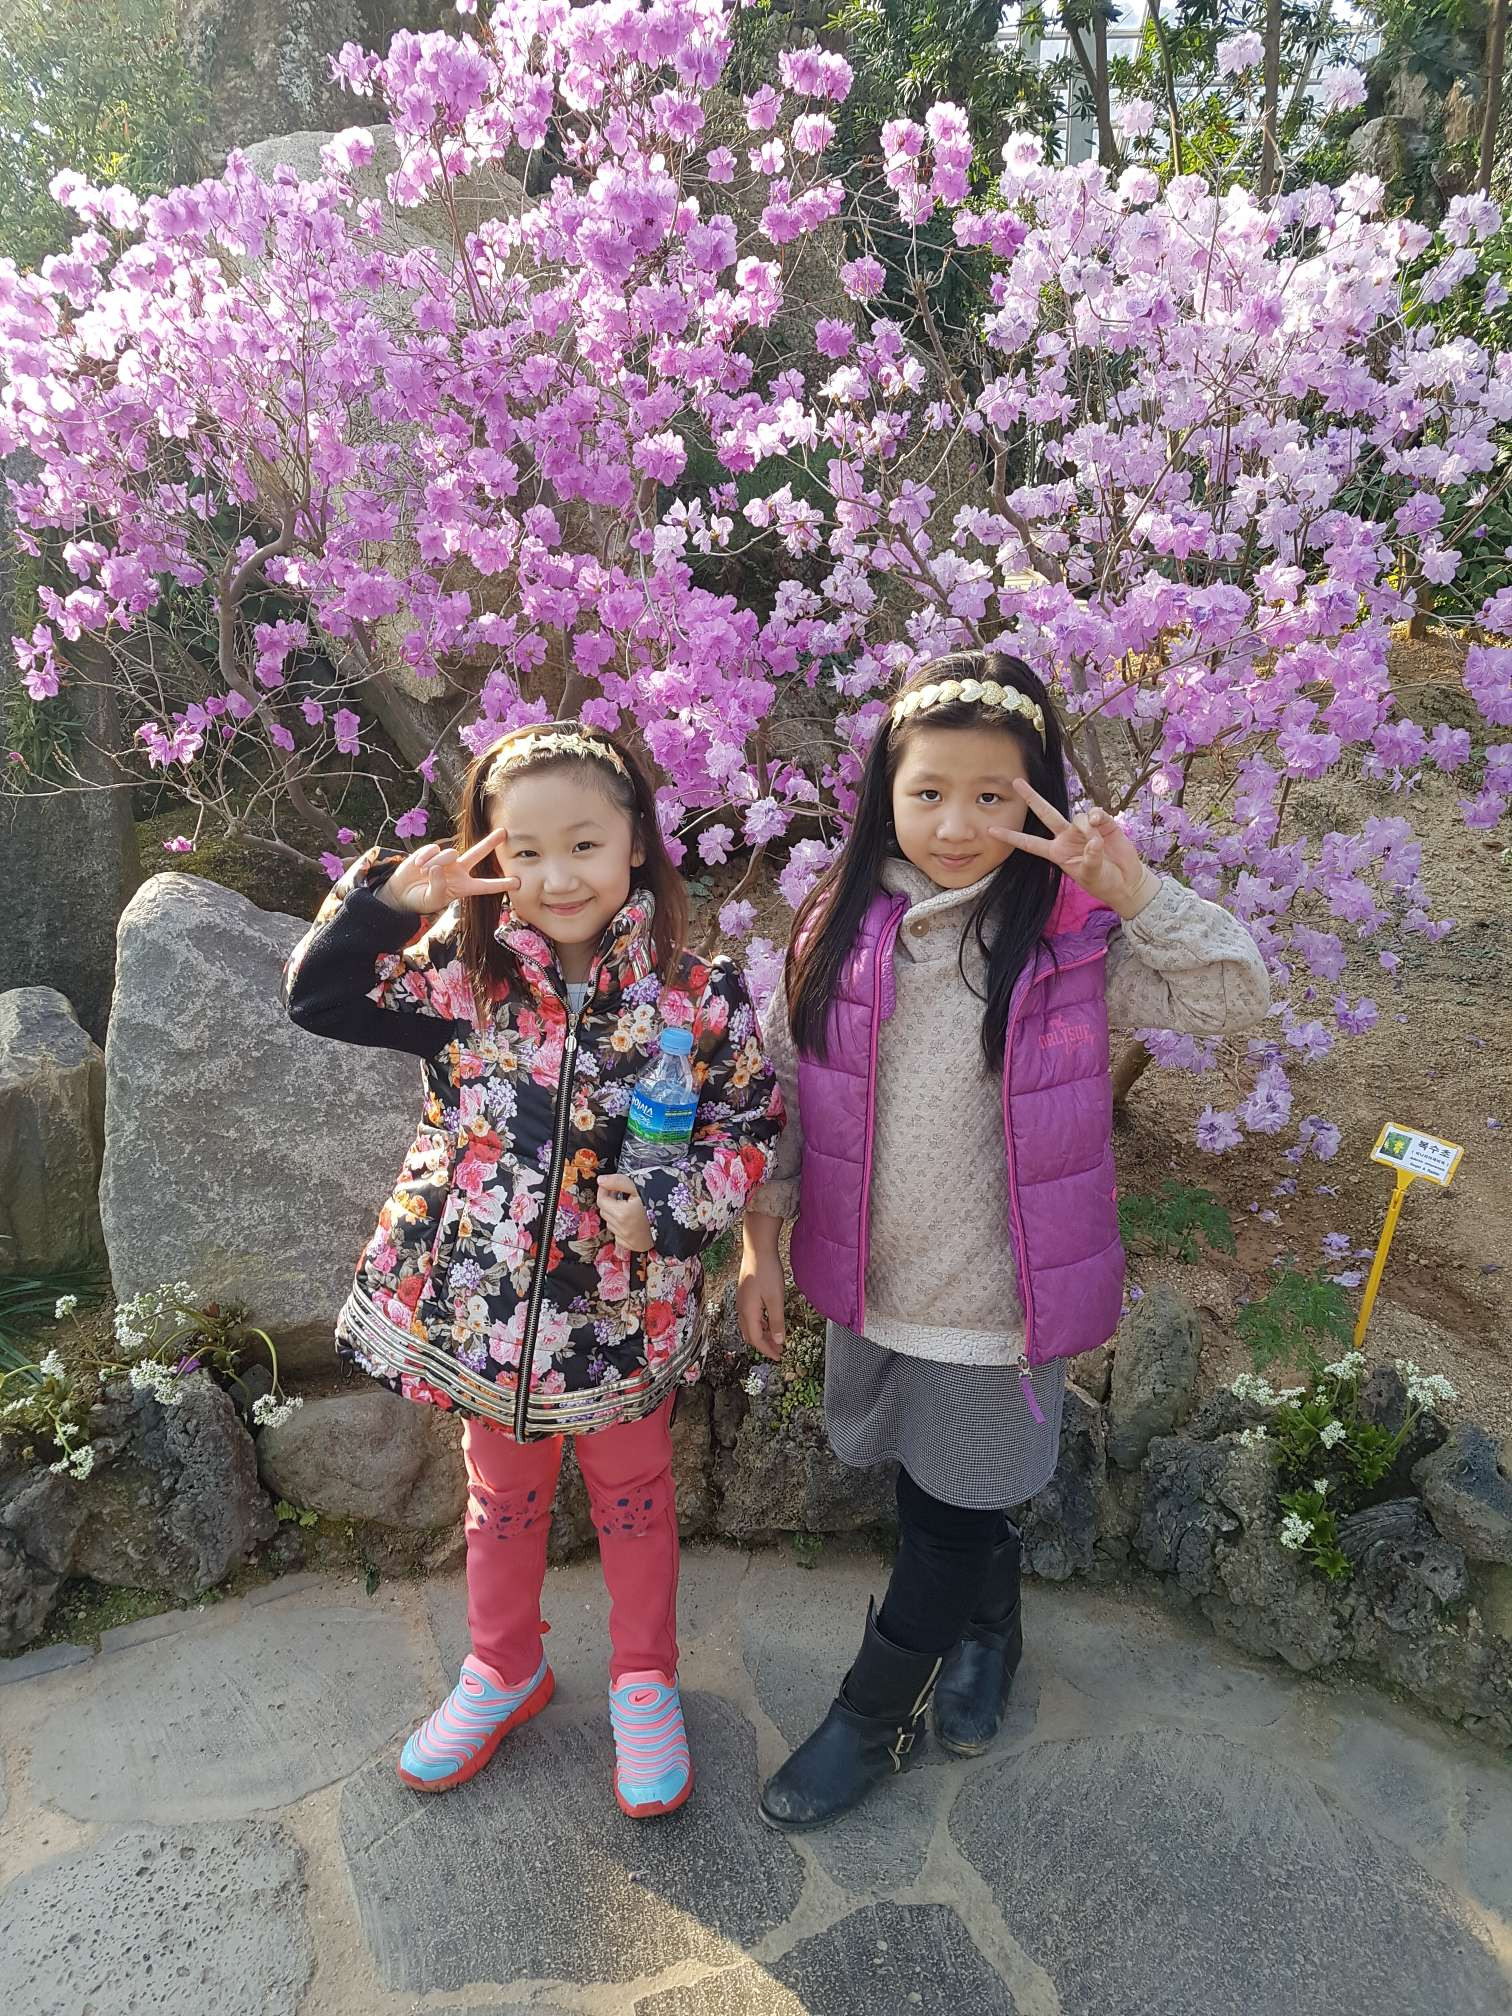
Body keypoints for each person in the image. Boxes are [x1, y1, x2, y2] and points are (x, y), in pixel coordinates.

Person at [738, 652, 1269, 1830]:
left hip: (1000, 1300)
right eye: (929, 792)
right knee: (937, 1487)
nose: (957, 825)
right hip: (878, 1279)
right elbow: (781, 1088)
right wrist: (759, 1242)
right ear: (885, 792)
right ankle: (993, 1627)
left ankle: (870, 1715)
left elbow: (1237, 996)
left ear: (1041, 798)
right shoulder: (839, 926)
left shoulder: (1070, 939)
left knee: (944, 1516)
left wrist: (1139, 894)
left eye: (994, 796)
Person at [285, 723, 782, 1817]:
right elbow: (319, 998)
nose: (558, 878)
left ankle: (644, 1680)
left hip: (622, 1307)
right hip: (487, 1302)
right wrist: (389, 903)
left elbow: (749, 1126)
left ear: (637, 844)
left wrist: (671, 1210)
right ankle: (502, 1666)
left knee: (635, 1495)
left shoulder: (699, 995)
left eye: (585, 846)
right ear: (489, 854)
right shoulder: (463, 978)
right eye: (525, 851)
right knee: (500, 1495)